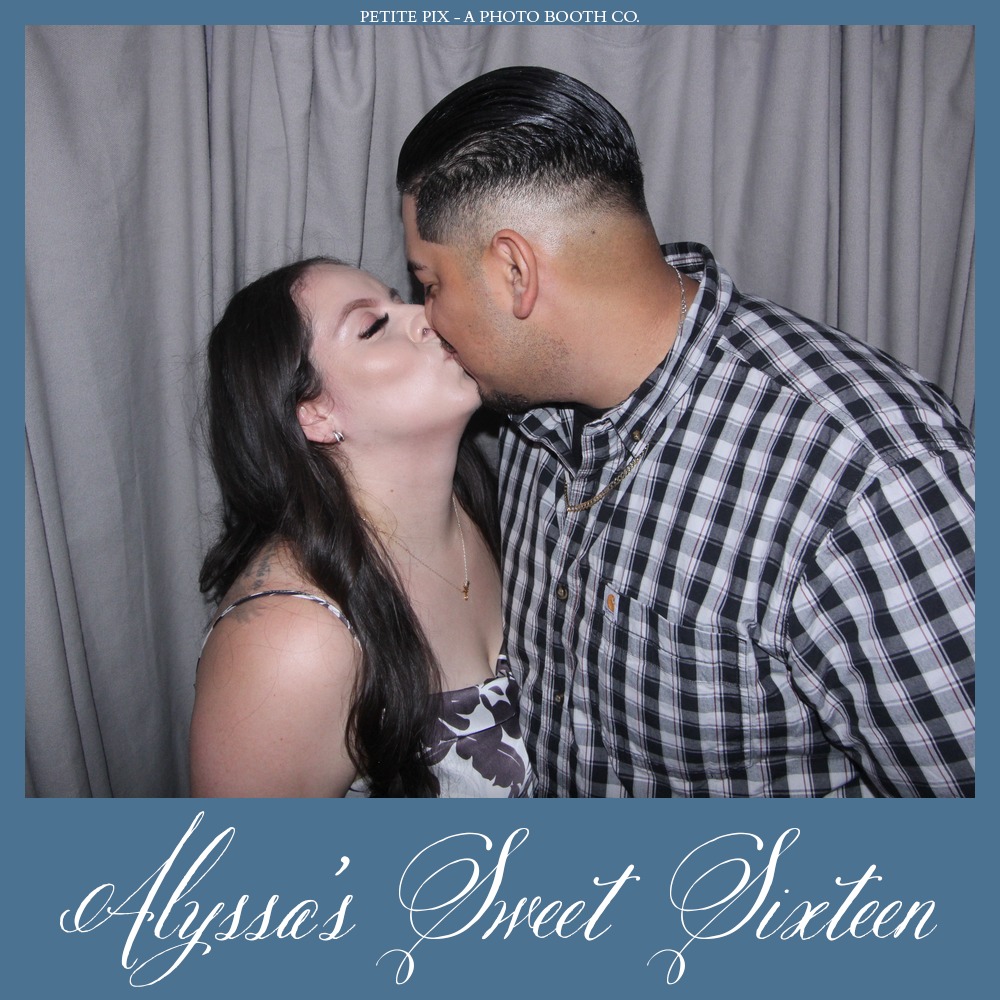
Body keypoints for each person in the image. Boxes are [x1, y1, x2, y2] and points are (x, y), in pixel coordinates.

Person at [395, 66, 975, 798]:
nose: (426, 317)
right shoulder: (528, 413)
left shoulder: (868, 479)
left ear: (515, 271)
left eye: (430, 284)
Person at [189, 257, 533, 797]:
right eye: (372, 326)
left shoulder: (494, 497)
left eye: (402, 299)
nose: (427, 314)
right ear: (314, 413)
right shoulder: (290, 644)